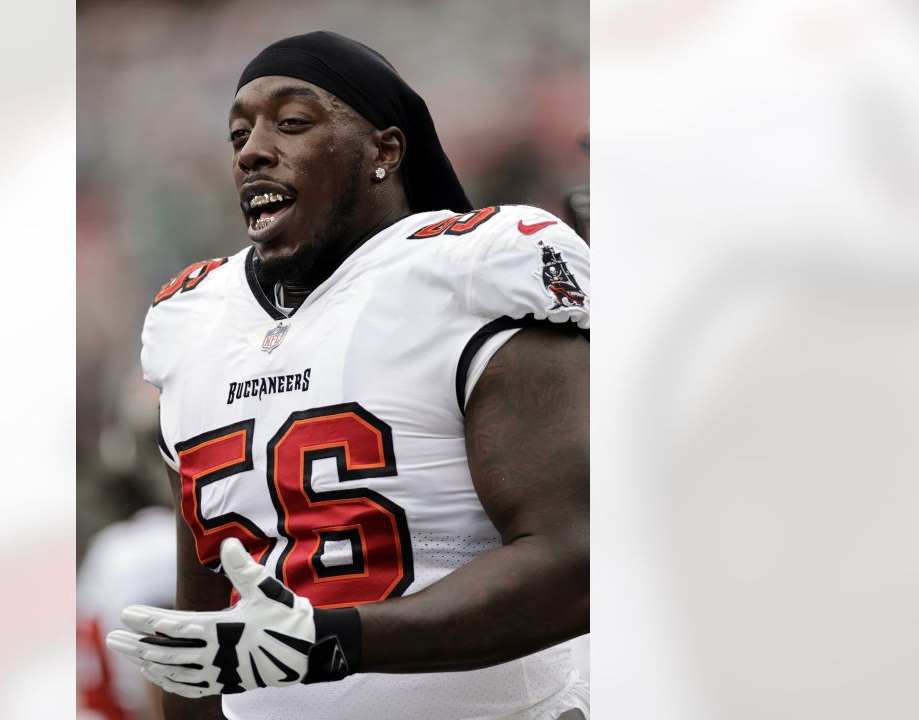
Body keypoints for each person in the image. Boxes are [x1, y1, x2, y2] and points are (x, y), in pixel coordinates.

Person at [106, 31, 590, 720]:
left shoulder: (471, 271)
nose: (252, 150)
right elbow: (205, 632)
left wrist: (332, 642)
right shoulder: (194, 322)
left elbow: (579, 561)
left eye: (292, 122)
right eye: (238, 134)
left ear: (386, 152)